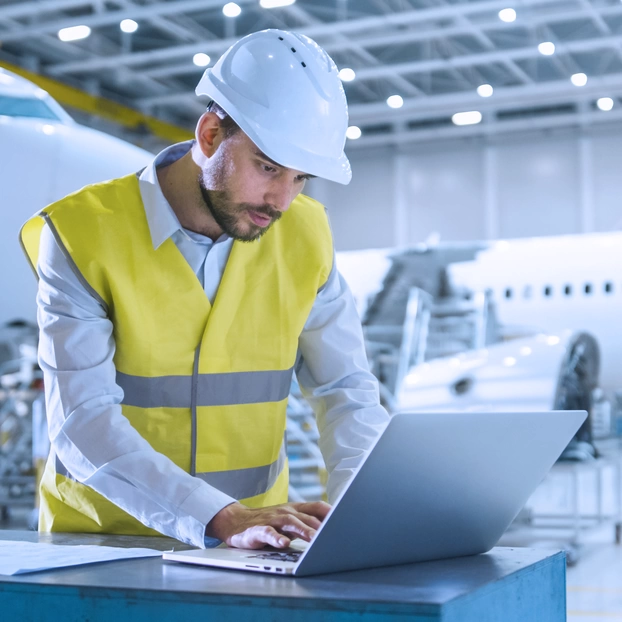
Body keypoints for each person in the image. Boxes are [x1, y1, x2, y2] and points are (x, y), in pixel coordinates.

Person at [20, 29, 390, 550]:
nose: (281, 200)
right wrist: (218, 516)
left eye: (301, 178)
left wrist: (363, 512)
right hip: (106, 549)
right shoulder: (82, 234)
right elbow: (82, 421)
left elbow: (346, 391)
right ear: (211, 135)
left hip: (259, 550)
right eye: (268, 167)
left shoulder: (305, 235)